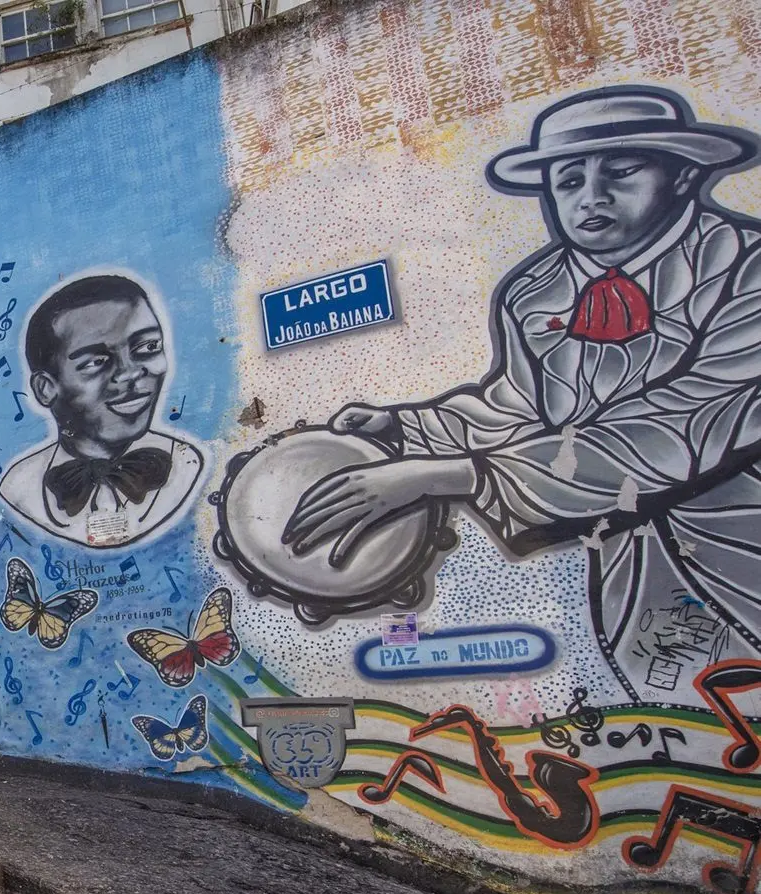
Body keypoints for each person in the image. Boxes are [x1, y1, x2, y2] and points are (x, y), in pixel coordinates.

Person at [280, 86, 761, 704]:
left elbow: (680, 424)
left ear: (683, 173)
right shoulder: (536, 292)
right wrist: (402, 430)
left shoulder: (747, 268)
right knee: (683, 722)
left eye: (621, 171)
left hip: (742, 546)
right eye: (568, 180)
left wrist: (449, 476)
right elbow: (514, 407)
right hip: (625, 565)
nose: (592, 196)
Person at [0, 273, 205, 549]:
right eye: (96, 362)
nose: (130, 373)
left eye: (147, 347)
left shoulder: (186, 465)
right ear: (46, 388)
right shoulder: (20, 486)